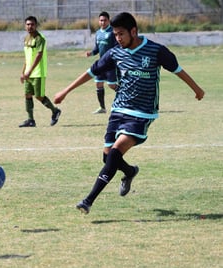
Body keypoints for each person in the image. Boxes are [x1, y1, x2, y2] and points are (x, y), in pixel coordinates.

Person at [53, 12, 205, 215]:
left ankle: (88, 201)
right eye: (115, 34)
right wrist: (65, 91)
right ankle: (130, 171)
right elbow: (92, 72)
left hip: (142, 113)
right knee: (107, 157)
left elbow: (178, 70)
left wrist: (197, 89)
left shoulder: (156, 51)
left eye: (121, 34)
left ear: (134, 31)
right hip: (118, 110)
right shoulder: (116, 53)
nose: (118, 38)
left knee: (115, 152)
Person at [19, 16, 61, 127]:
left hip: (38, 73)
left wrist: (30, 71)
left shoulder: (40, 38)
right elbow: (27, 58)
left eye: (32, 24)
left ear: (36, 25)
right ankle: (30, 120)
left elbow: (39, 55)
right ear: (25, 26)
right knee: (27, 95)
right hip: (28, 73)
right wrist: (23, 72)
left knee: (39, 96)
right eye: (28, 24)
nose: (30, 26)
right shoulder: (26, 39)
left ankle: (55, 111)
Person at [85, 11, 118, 114]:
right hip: (101, 63)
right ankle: (102, 108)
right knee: (98, 84)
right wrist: (91, 53)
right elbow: (97, 48)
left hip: (111, 63)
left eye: (105, 20)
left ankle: (129, 99)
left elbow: (117, 46)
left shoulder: (113, 32)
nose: (102, 22)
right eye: (101, 20)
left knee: (112, 85)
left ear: (109, 21)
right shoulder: (98, 33)